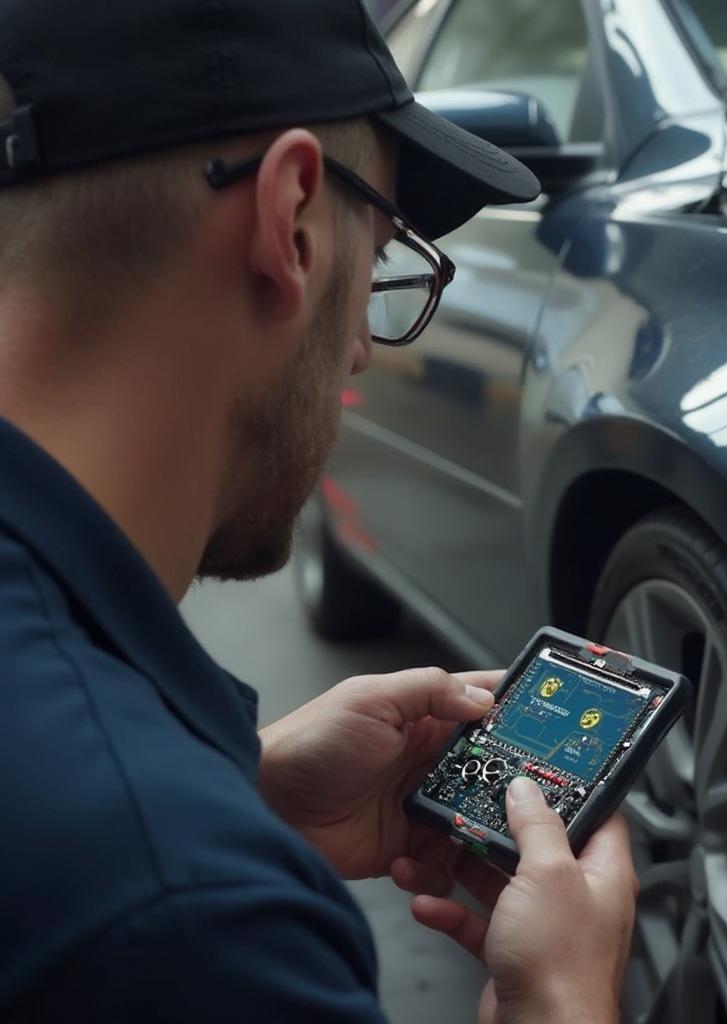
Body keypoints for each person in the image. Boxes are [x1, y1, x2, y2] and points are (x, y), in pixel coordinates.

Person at [0, 1, 639, 1021]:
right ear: (292, 221)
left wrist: (236, 788)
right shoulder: (189, 924)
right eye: (382, 256)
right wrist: (562, 1002)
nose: (358, 348)